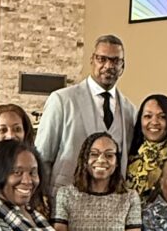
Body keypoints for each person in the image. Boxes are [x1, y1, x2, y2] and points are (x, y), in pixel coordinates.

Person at [35, 34, 136, 196]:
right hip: (64, 199)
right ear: (92, 60)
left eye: (115, 61)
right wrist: (41, 198)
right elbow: (42, 157)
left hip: (110, 202)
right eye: (102, 59)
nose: (108, 66)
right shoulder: (62, 100)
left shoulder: (129, 110)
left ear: (122, 66)